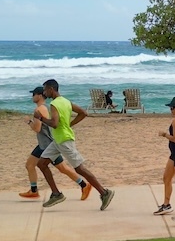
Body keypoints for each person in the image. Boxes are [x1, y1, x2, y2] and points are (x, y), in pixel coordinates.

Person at [35, 79, 115, 210]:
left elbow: (54, 123)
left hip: (64, 140)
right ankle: (56, 194)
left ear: (51, 89)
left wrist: (41, 118)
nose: (44, 92)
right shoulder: (66, 101)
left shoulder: (54, 104)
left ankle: (104, 192)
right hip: (58, 140)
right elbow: (83, 113)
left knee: (79, 169)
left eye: (45, 89)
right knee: (41, 163)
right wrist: (69, 124)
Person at [20, 86, 93, 201]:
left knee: (63, 168)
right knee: (30, 165)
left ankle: (84, 185)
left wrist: (29, 122)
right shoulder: (43, 108)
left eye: (33, 94)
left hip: (47, 144)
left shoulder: (41, 109)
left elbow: (38, 128)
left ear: (39, 95)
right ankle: (34, 191)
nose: (32, 97)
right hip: (42, 144)